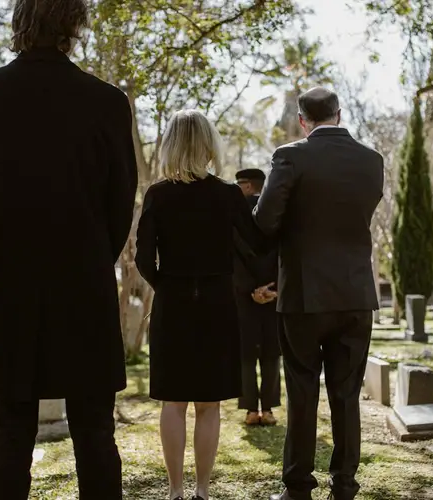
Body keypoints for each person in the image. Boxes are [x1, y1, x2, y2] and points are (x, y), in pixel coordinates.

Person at [0, 0, 137, 498]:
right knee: (96, 435)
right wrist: (91, 253)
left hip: (9, 283)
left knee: (9, 436)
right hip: (83, 286)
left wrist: (8, 241)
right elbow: (121, 204)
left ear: (18, 23)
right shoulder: (107, 102)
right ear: (75, 24)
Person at [255, 88, 384, 500]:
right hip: (355, 293)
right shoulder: (372, 160)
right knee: (347, 394)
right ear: (339, 114)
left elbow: (265, 221)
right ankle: (344, 485)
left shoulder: (290, 156)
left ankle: (297, 488)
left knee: (302, 390)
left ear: (302, 120)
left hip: (305, 295)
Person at [135, 110, 266, 500]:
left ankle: (175, 491)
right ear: (209, 144)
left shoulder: (157, 194)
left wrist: (168, 285)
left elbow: (144, 258)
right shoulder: (228, 194)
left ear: (172, 144)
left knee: (173, 403)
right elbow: (257, 244)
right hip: (217, 304)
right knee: (209, 405)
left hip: (173, 303)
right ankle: (202, 491)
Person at [232, 168, 282, 427]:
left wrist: (251, 289)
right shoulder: (278, 214)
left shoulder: (233, 215)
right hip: (274, 295)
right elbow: (283, 253)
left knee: (246, 355)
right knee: (272, 354)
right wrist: (272, 288)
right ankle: (270, 409)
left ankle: (251, 410)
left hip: (244, 296)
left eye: (238, 184)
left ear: (249, 186)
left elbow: (233, 258)